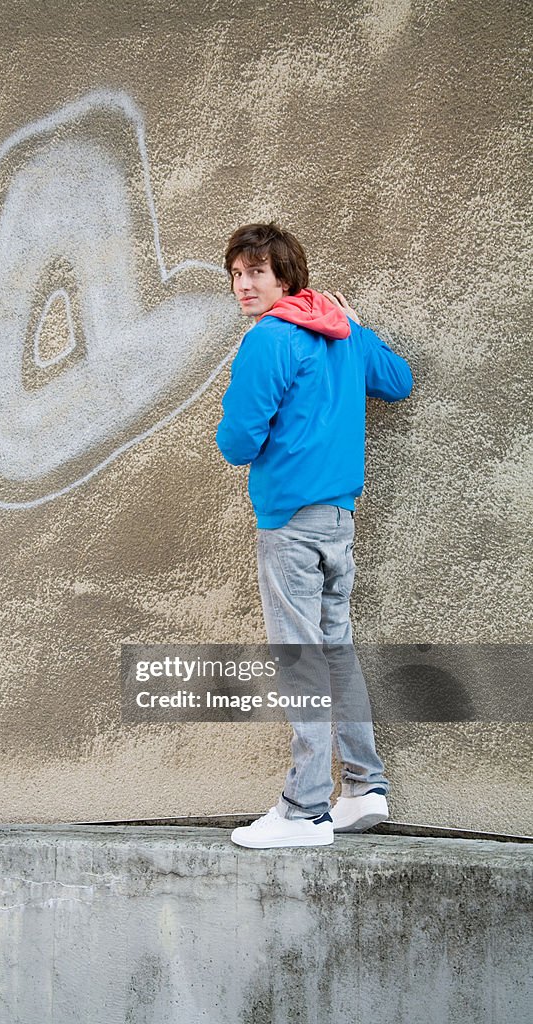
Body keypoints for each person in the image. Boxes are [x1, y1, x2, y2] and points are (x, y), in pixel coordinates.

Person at [215, 222, 413, 849]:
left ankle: (304, 810)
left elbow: (238, 442)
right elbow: (398, 380)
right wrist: (355, 326)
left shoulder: (269, 340)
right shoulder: (341, 333)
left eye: (257, 272)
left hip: (291, 526)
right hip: (338, 521)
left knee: (300, 659)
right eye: (237, 274)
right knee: (334, 652)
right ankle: (363, 787)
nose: (245, 285)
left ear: (285, 276)